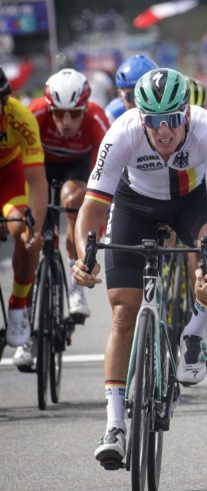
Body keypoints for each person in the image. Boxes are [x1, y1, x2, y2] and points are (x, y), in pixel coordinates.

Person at [72, 68, 207, 468]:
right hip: (136, 205)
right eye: (154, 122)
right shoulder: (122, 133)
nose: (164, 131)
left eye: (172, 120)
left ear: (186, 113)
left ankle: (196, 330)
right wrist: (84, 256)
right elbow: (91, 209)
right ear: (141, 117)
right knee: (122, 313)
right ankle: (114, 425)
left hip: (191, 203)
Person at [19, 68, 111, 355]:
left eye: (74, 113)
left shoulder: (97, 120)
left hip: (78, 167)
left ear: (86, 107)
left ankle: (75, 285)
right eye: (58, 114)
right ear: (49, 108)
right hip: (41, 167)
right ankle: (24, 329)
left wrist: (102, 215)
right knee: (32, 238)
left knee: (74, 200)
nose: (66, 121)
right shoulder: (33, 114)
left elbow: (104, 176)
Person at [0, 67, 45, 353]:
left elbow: (37, 181)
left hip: (10, 179)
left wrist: (35, 230)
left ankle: (18, 303)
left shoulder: (21, 117)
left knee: (24, 231)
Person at [104, 54, 157, 122]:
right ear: (120, 94)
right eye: (132, 97)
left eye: (146, 96)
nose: (139, 105)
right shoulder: (111, 115)